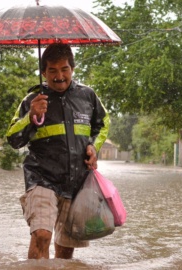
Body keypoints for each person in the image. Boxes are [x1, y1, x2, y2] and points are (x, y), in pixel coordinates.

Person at [6, 43, 110, 260]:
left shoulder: (88, 96)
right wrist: (31, 116)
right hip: (41, 178)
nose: (59, 76)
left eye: (64, 69)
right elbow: (13, 139)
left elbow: (103, 124)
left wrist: (93, 146)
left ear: (72, 68)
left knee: (65, 251)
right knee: (42, 235)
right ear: (43, 72)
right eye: (52, 70)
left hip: (77, 183)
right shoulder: (31, 101)